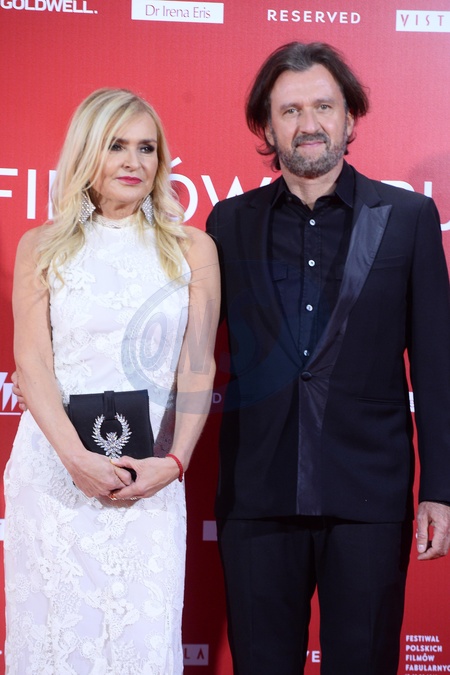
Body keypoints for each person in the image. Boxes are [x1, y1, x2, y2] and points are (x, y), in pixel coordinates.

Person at [206, 42, 450, 675]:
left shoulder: (408, 218)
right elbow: (189, 351)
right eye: (289, 110)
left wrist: (440, 491)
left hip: (370, 495)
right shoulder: (227, 223)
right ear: (267, 127)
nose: (308, 123)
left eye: (323, 106)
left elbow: (437, 366)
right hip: (257, 494)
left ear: (349, 117)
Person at [5, 87, 220, 674]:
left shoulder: (193, 249)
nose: (134, 162)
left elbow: (198, 365)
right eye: (116, 146)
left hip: (148, 473)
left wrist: (174, 462)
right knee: (57, 644)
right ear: (87, 152)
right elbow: (32, 363)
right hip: (55, 472)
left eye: (147, 148)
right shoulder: (40, 247)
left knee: (140, 644)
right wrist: (76, 460)